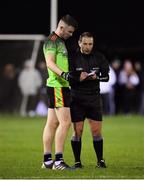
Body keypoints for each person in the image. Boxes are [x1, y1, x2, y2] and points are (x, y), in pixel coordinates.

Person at [42, 14, 78, 170]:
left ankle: (47, 161)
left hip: (58, 85)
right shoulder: (52, 42)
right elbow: (49, 63)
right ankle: (58, 161)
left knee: (52, 123)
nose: (71, 35)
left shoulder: (60, 42)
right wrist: (64, 75)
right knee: (65, 123)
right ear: (61, 27)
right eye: (69, 32)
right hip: (58, 86)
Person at [69, 32, 109, 169]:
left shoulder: (99, 57)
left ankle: (100, 161)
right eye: (85, 44)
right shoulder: (72, 58)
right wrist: (78, 77)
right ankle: (77, 162)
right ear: (79, 43)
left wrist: (96, 77)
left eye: (90, 44)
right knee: (77, 131)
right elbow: (68, 76)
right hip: (76, 99)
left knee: (96, 131)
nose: (88, 47)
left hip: (94, 99)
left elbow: (106, 77)